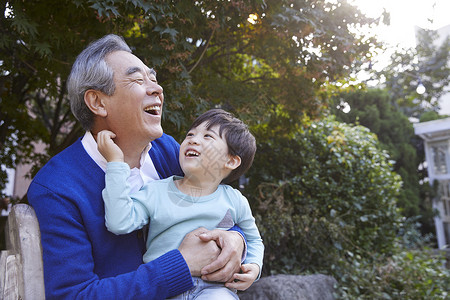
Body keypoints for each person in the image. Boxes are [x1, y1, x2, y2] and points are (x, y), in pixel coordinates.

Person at [27, 34, 246, 299]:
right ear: (97, 102)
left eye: (153, 79)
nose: (157, 89)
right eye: (138, 80)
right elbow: (74, 295)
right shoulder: (57, 187)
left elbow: (215, 204)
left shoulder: (169, 151)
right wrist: (181, 264)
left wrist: (236, 239)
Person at [98, 109, 264, 299]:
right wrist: (116, 164)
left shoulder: (234, 200)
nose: (193, 139)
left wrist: (254, 266)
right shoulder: (155, 191)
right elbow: (119, 222)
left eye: (208, 136)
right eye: (190, 134)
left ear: (231, 161)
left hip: (213, 289)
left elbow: (253, 240)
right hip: (165, 288)